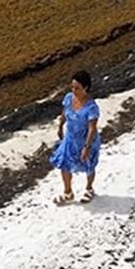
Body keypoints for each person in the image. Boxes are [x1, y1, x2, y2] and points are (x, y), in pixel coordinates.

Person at [50, 69, 101, 205]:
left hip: (86, 140)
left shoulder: (92, 108)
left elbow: (92, 128)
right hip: (70, 138)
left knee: (88, 164)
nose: (74, 90)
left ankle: (89, 189)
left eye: (77, 88)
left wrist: (87, 147)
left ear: (86, 88)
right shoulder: (68, 98)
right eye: (72, 87)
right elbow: (64, 112)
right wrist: (60, 126)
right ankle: (68, 192)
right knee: (64, 163)